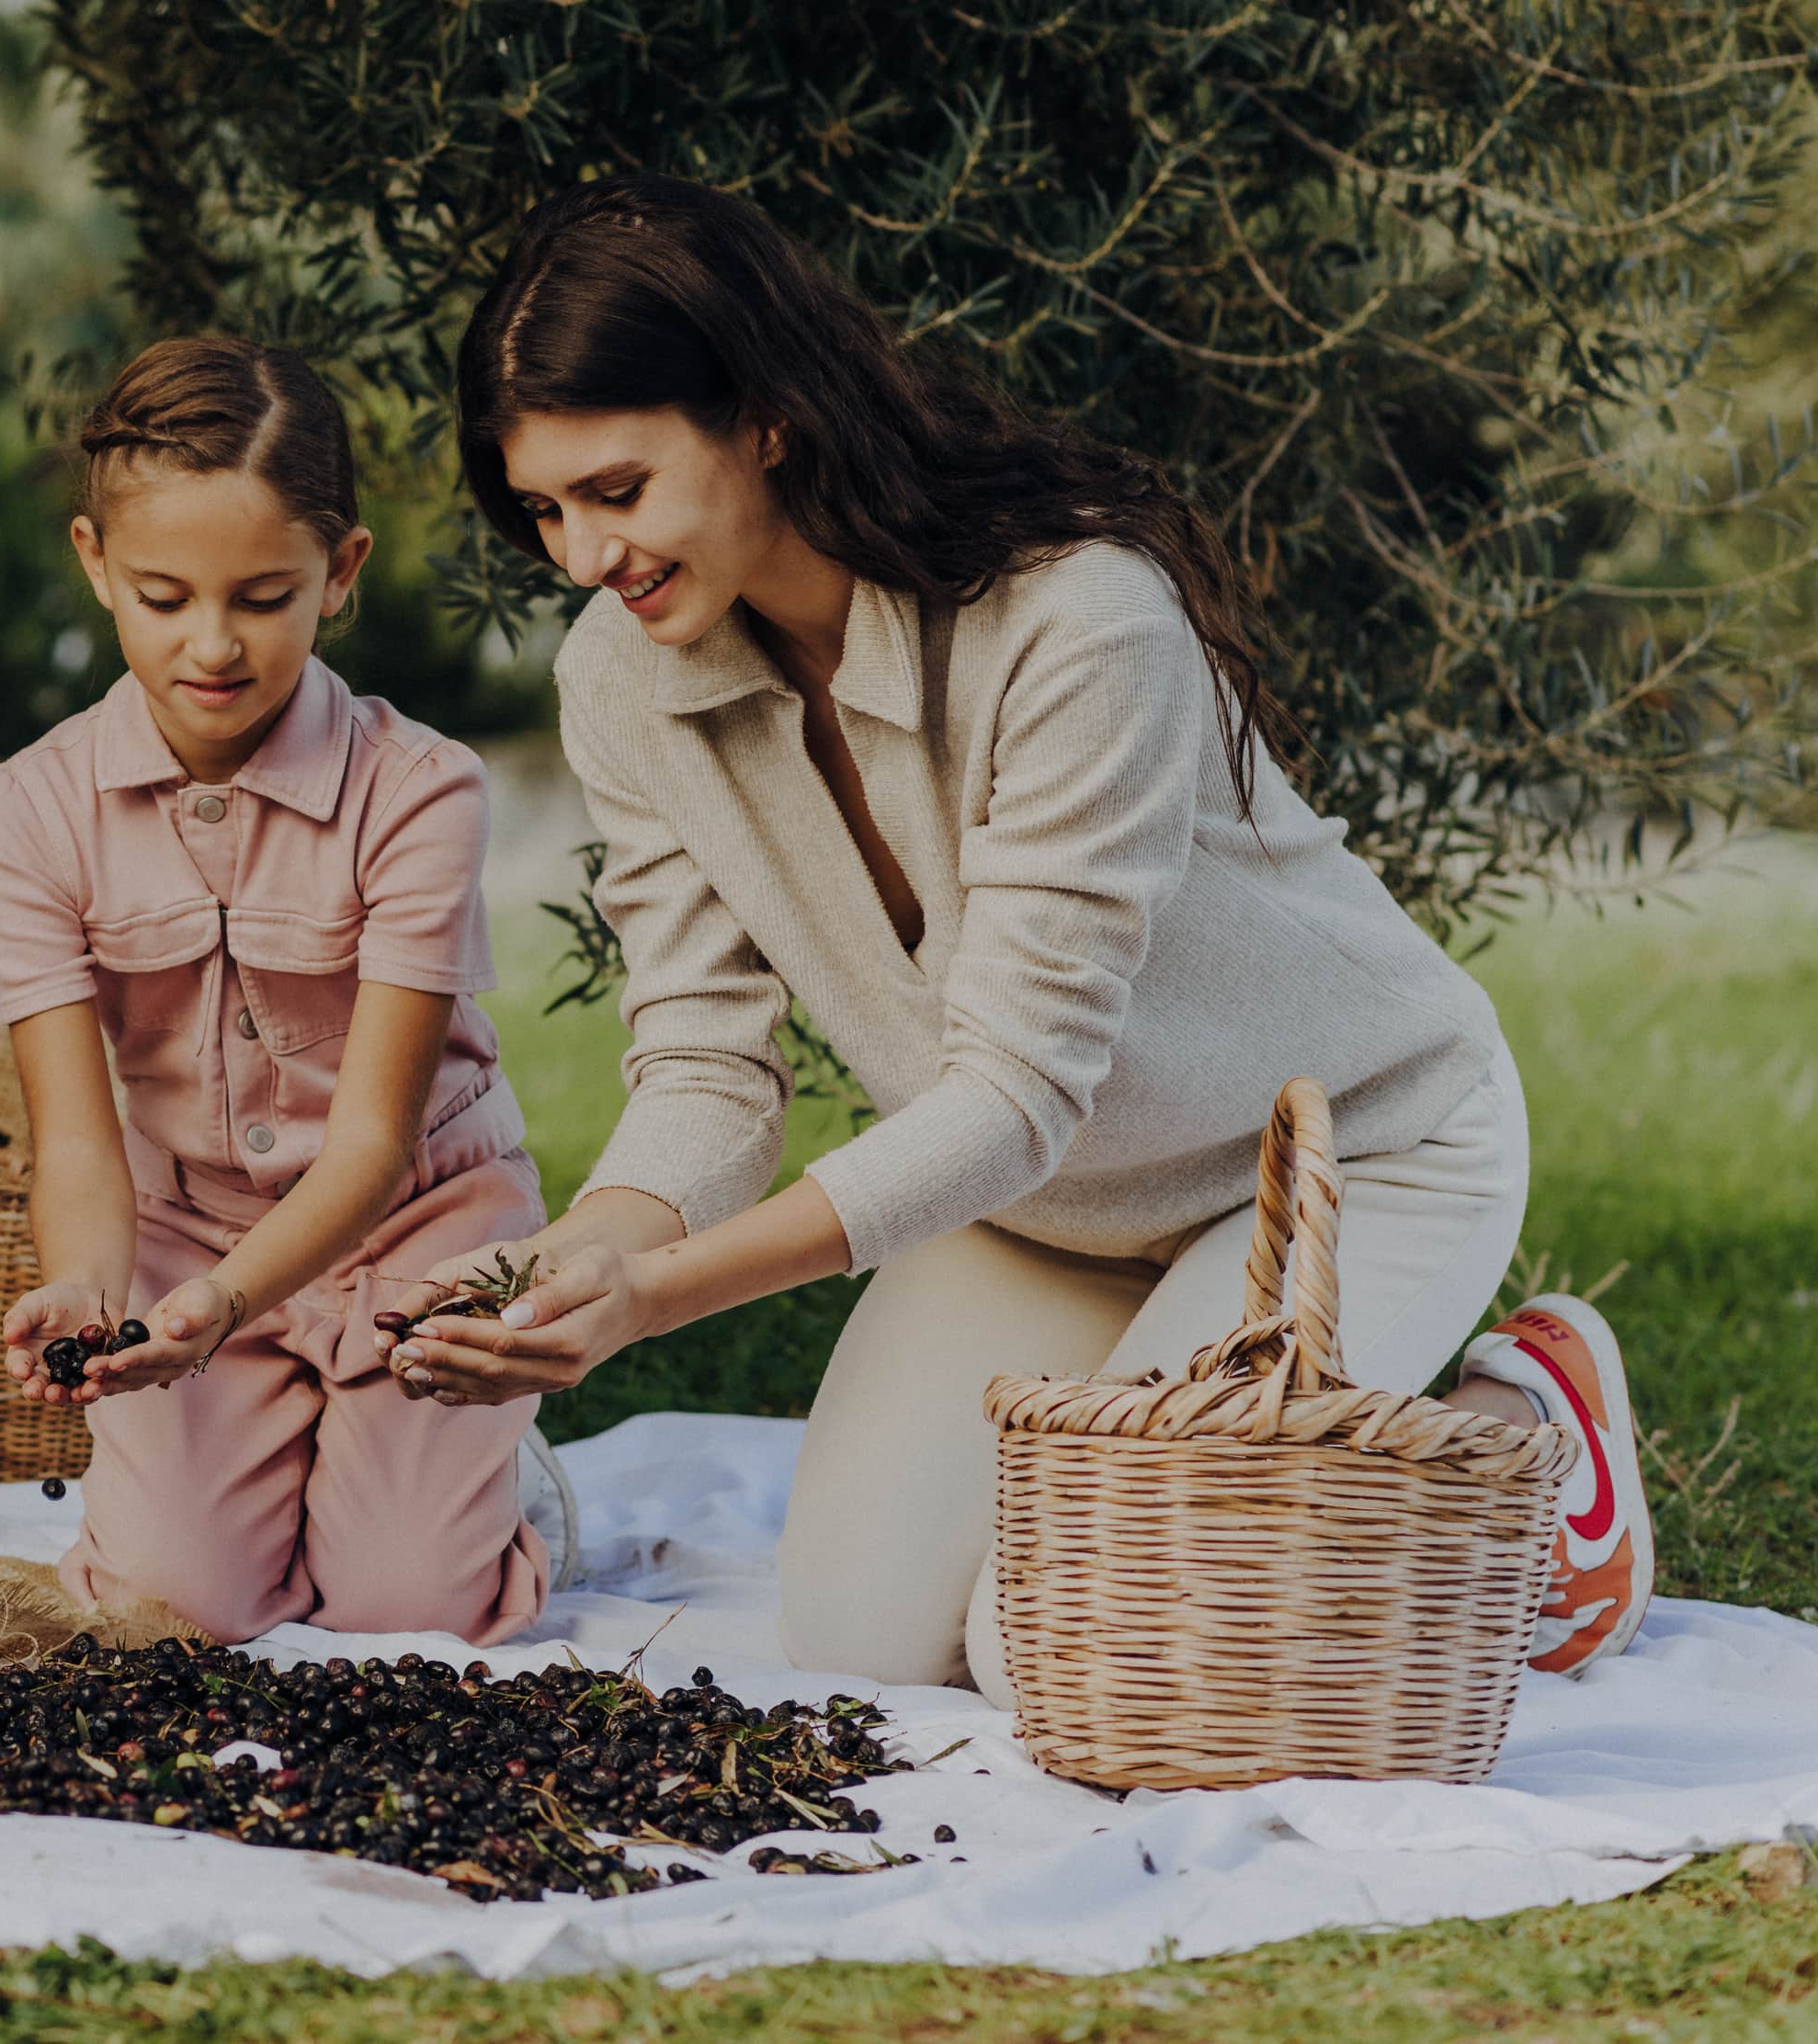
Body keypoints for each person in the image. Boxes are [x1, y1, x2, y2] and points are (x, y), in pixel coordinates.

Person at [373, 177, 1653, 1696]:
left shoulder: (1079, 618)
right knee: (863, 1641)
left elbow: (1018, 1091)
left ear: (766, 418)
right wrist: (574, 1261)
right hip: (1034, 1207)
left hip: (1344, 1162)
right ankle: (1272, 1475)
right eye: (545, 510)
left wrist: (664, 1300)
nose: (585, 554)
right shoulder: (624, 678)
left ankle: (1527, 1443)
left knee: (1078, 1650)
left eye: (620, 489)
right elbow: (709, 1068)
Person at [0, 335, 551, 1644]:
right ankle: (287, 1462)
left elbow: (374, 1141)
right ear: (94, 563)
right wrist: (88, 1287)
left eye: (264, 596)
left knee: (406, 1609)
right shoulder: (26, 813)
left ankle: (502, 1482)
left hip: (419, 1221)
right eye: (164, 596)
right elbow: (75, 1137)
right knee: (179, 1607)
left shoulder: (422, 792)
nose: (212, 645)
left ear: (340, 574)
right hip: (185, 1243)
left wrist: (225, 1309)